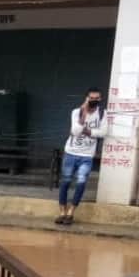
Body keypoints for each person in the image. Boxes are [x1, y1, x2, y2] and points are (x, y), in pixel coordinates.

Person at [57, 87, 108, 226]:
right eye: (91, 98)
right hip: (71, 152)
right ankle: (62, 212)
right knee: (66, 181)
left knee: (81, 183)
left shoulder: (103, 113)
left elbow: (103, 132)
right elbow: (75, 131)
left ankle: (71, 212)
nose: (94, 101)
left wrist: (86, 131)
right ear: (86, 98)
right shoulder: (76, 112)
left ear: (100, 99)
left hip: (86, 155)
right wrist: (84, 113)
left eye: (97, 98)